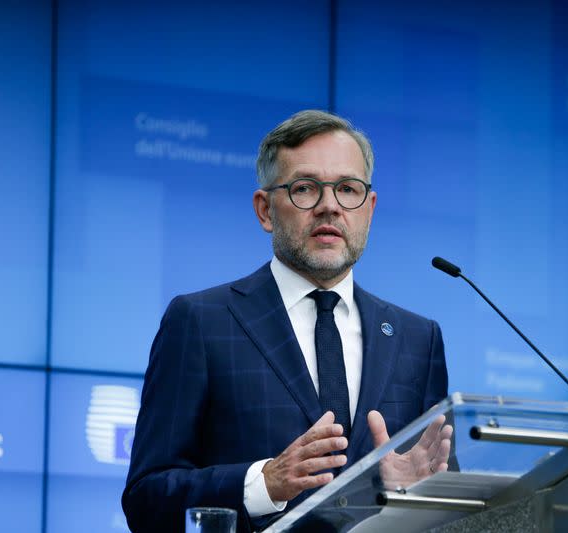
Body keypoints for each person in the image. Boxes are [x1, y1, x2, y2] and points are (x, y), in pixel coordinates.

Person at [122, 110, 452, 533]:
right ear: (265, 210)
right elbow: (146, 498)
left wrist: (414, 496)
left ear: (368, 210)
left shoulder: (417, 340)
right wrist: (264, 484)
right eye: (305, 189)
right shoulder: (201, 322)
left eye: (348, 189)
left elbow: (447, 497)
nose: (329, 206)